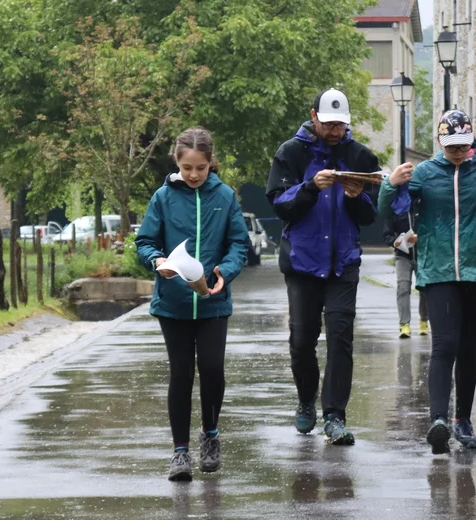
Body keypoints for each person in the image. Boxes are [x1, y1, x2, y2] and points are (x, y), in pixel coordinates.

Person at [380, 109, 476, 454]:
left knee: (468, 348)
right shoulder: (424, 173)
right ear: (440, 142)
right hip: (437, 271)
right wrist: (390, 185)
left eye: (463, 145)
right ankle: (438, 420)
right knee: (444, 345)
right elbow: (388, 210)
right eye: (451, 146)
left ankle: (462, 421)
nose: (457, 151)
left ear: (471, 141)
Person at [265, 88, 381, 445]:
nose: (334, 131)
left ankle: (335, 415)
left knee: (341, 338)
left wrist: (356, 197)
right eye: (328, 124)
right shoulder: (291, 152)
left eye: (340, 125)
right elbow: (279, 204)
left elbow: (371, 214)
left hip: (343, 262)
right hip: (303, 262)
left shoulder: (360, 156)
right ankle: (306, 400)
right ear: (313, 116)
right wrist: (310, 187)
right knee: (302, 341)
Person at [135, 127, 249, 481]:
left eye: (200, 167)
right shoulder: (163, 197)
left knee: (212, 369)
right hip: (174, 303)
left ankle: (210, 435)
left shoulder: (225, 196)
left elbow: (239, 244)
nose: (194, 174)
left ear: (211, 162)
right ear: (177, 162)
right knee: (181, 373)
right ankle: (180, 452)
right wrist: (156, 260)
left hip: (213, 300)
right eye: (187, 168)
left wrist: (225, 271)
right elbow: (145, 241)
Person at [383, 204, 428, 338]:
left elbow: (433, 229)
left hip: (422, 255)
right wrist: (399, 241)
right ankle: (404, 325)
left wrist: (420, 237)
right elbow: (387, 235)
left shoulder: (422, 205)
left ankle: (424, 320)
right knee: (403, 288)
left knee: (425, 288)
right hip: (402, 255)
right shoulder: (394, 207)